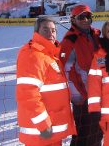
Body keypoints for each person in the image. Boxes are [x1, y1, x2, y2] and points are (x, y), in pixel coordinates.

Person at [16, 17, 76, 146]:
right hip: (41, 132)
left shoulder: (49, 55)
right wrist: (43, 124)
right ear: (36, 32)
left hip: (52, 127)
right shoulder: (33, 55)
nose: (51, 34)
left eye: (53, 30)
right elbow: (27, 94)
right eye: (46, 29)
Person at [60, 5, 103, 146]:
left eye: (88, 16)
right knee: (82, 134)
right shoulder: (70, 40)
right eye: (81, 17)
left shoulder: (95, 35)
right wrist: (78, 96)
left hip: (98, 92)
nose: (85, 20)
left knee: (97, 131)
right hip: (82, 96)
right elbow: (67, 71)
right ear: (73, 20)